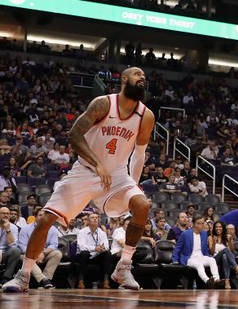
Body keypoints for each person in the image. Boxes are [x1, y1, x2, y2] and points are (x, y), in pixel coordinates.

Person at [3, 67, 154, 293]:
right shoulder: (104, 104)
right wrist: (97, 163)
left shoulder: (146, 116)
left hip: (117, 176)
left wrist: (132, 187)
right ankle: (23, 275)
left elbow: (139, 155)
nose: (142, 77)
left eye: (144, 76)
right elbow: (74, 135)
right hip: (85, 171)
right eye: (136, 74)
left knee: (142, 205)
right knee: (45, 219)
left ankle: (123, 266)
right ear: (124, 79)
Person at [12, 209, 60, 289]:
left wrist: (43, 253)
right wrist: (35, 255)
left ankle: (47, 278)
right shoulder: (25, 229)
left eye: (45, 216)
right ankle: (43, 280)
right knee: (23, 257)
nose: (43, 217)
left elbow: (54, 245)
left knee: (57, 254)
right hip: (29, 254)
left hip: (44, 254)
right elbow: (22, 246)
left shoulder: (53, 229)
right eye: (40, 215)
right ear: (35, 217)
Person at [173, 216, 220, 287]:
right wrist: (175, 260)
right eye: (199, 223)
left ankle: (216, 280)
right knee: (199, 264)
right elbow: (178, 248)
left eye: (202, 223)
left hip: (201, 256)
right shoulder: (185, 234)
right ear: (194, 224)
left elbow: (205, 249)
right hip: (189, 258)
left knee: (212, 260)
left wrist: (208, 255)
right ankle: (207, 281)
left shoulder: (204, 233)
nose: (202, 225)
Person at [75, 213, 114, 289]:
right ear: (88, 221)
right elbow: (82, 247)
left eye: (96, 217)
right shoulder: (82, 232)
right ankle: (80, 281)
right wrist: (95, 248)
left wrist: (102, 248)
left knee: (107, 254)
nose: (95, 219)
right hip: (85, 255)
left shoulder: (102, 233)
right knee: (84, 253)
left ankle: (105, 281)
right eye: (92, 217)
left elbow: (106, 246)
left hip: (97, 255)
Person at [0, 206, 20, 282]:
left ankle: (6, 278)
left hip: (5, 254)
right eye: (3, 213)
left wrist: (8, 230)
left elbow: (12, 245)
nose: (6, 215)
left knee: (16, 250)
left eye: (8, 213)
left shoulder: (14, 228)